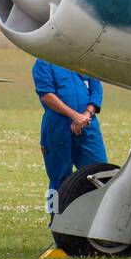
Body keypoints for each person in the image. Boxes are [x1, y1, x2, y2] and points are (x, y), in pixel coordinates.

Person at [32, 59, 107, 207]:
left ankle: (94, 218)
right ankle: (55, 218)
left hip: (88, 124)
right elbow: (46, 95)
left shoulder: (84, 59)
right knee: (58, 178)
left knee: (100, 173)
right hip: (57, 127)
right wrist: (74, 116)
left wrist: (86, 114)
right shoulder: (44, 62)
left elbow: (96, 89)